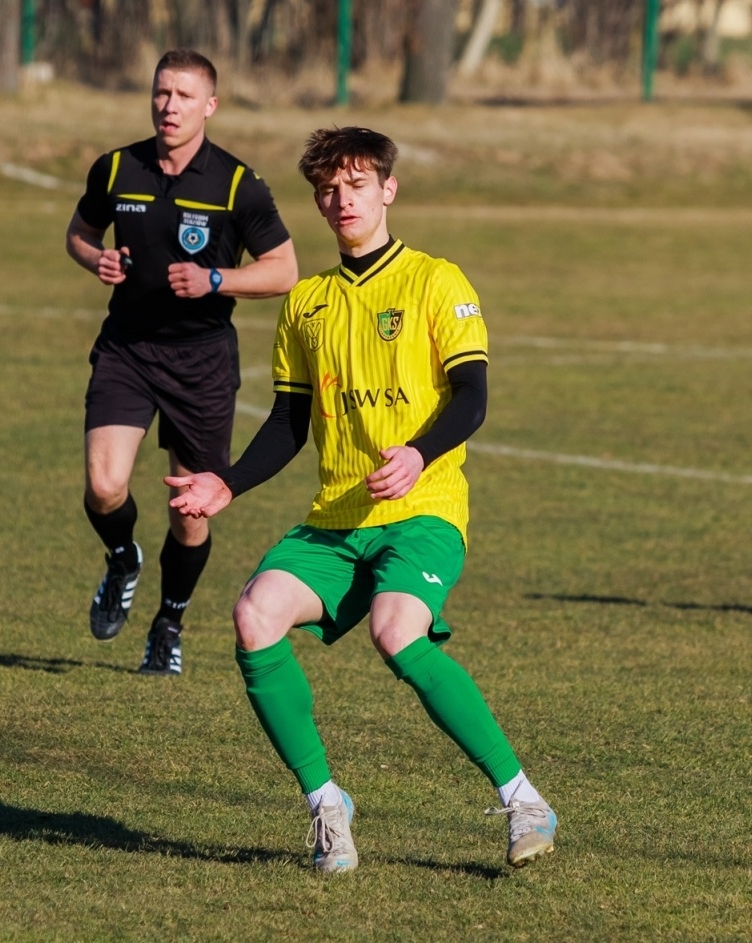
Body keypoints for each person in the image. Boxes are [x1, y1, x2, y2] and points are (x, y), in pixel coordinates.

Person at [166, 127, 558, 873]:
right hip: (337, 521)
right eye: (328, 188)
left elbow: (472, 397)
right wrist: (226, 481)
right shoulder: (307, 303)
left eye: (356, 184)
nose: (341, 199)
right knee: (253, 613)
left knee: (394, 628)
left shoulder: (437, 282)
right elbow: (287, 423)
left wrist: (418, 453)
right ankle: (327, 806)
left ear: (387, 189)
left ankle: (523, 799)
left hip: (424, 511)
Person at [65, 49, 297, 675]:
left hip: (201, 363)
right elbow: (79, 233)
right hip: (128, 349)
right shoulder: (116, 167)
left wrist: (216, 278)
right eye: (162, 93)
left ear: (210, 106)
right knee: (104, 483)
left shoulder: (236, 184)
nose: (170, 107)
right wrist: (97, 261)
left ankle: (169, 620)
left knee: (189, 513)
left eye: (184, 97)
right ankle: (122, 560)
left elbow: (284, 269)